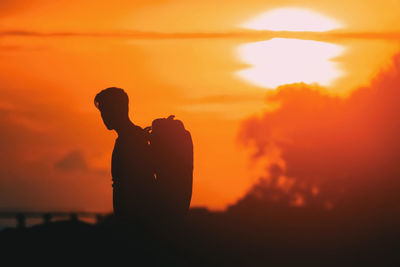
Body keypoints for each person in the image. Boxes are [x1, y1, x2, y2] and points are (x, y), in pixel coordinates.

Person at [94, 87, 156, 227]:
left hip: (137, 225)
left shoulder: (131, 141)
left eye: (105, 110)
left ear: (118, 110)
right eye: (102, 112)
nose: (103, 116)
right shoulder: (135, 137)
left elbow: (139, 185)